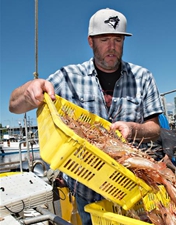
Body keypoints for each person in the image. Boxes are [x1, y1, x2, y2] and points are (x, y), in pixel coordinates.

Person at [9, 8, 163, 225]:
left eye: (118, 40)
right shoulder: (68, 76)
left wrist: (133, 129)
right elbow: (13, 106)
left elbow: (155, 128)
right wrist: (29, 90)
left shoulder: (143, 77)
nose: (112, 46)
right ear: (91, 42)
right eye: (104, 39)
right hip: (87, 191)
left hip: (133, 190)